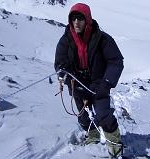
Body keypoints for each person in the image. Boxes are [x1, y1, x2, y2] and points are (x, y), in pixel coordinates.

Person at [54, 3, 124, 158]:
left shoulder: (102, 39)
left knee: (103, 114)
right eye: (73, 19)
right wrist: (64, 73)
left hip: (99, 84)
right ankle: (92, 136)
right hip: (77, 83)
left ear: (88, 19)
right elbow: (60, 62)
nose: (76, 22)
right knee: (83, 116)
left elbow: (116, 61)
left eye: (80, 18)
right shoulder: (66, 40)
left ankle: (115, 145)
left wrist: (106, 82)